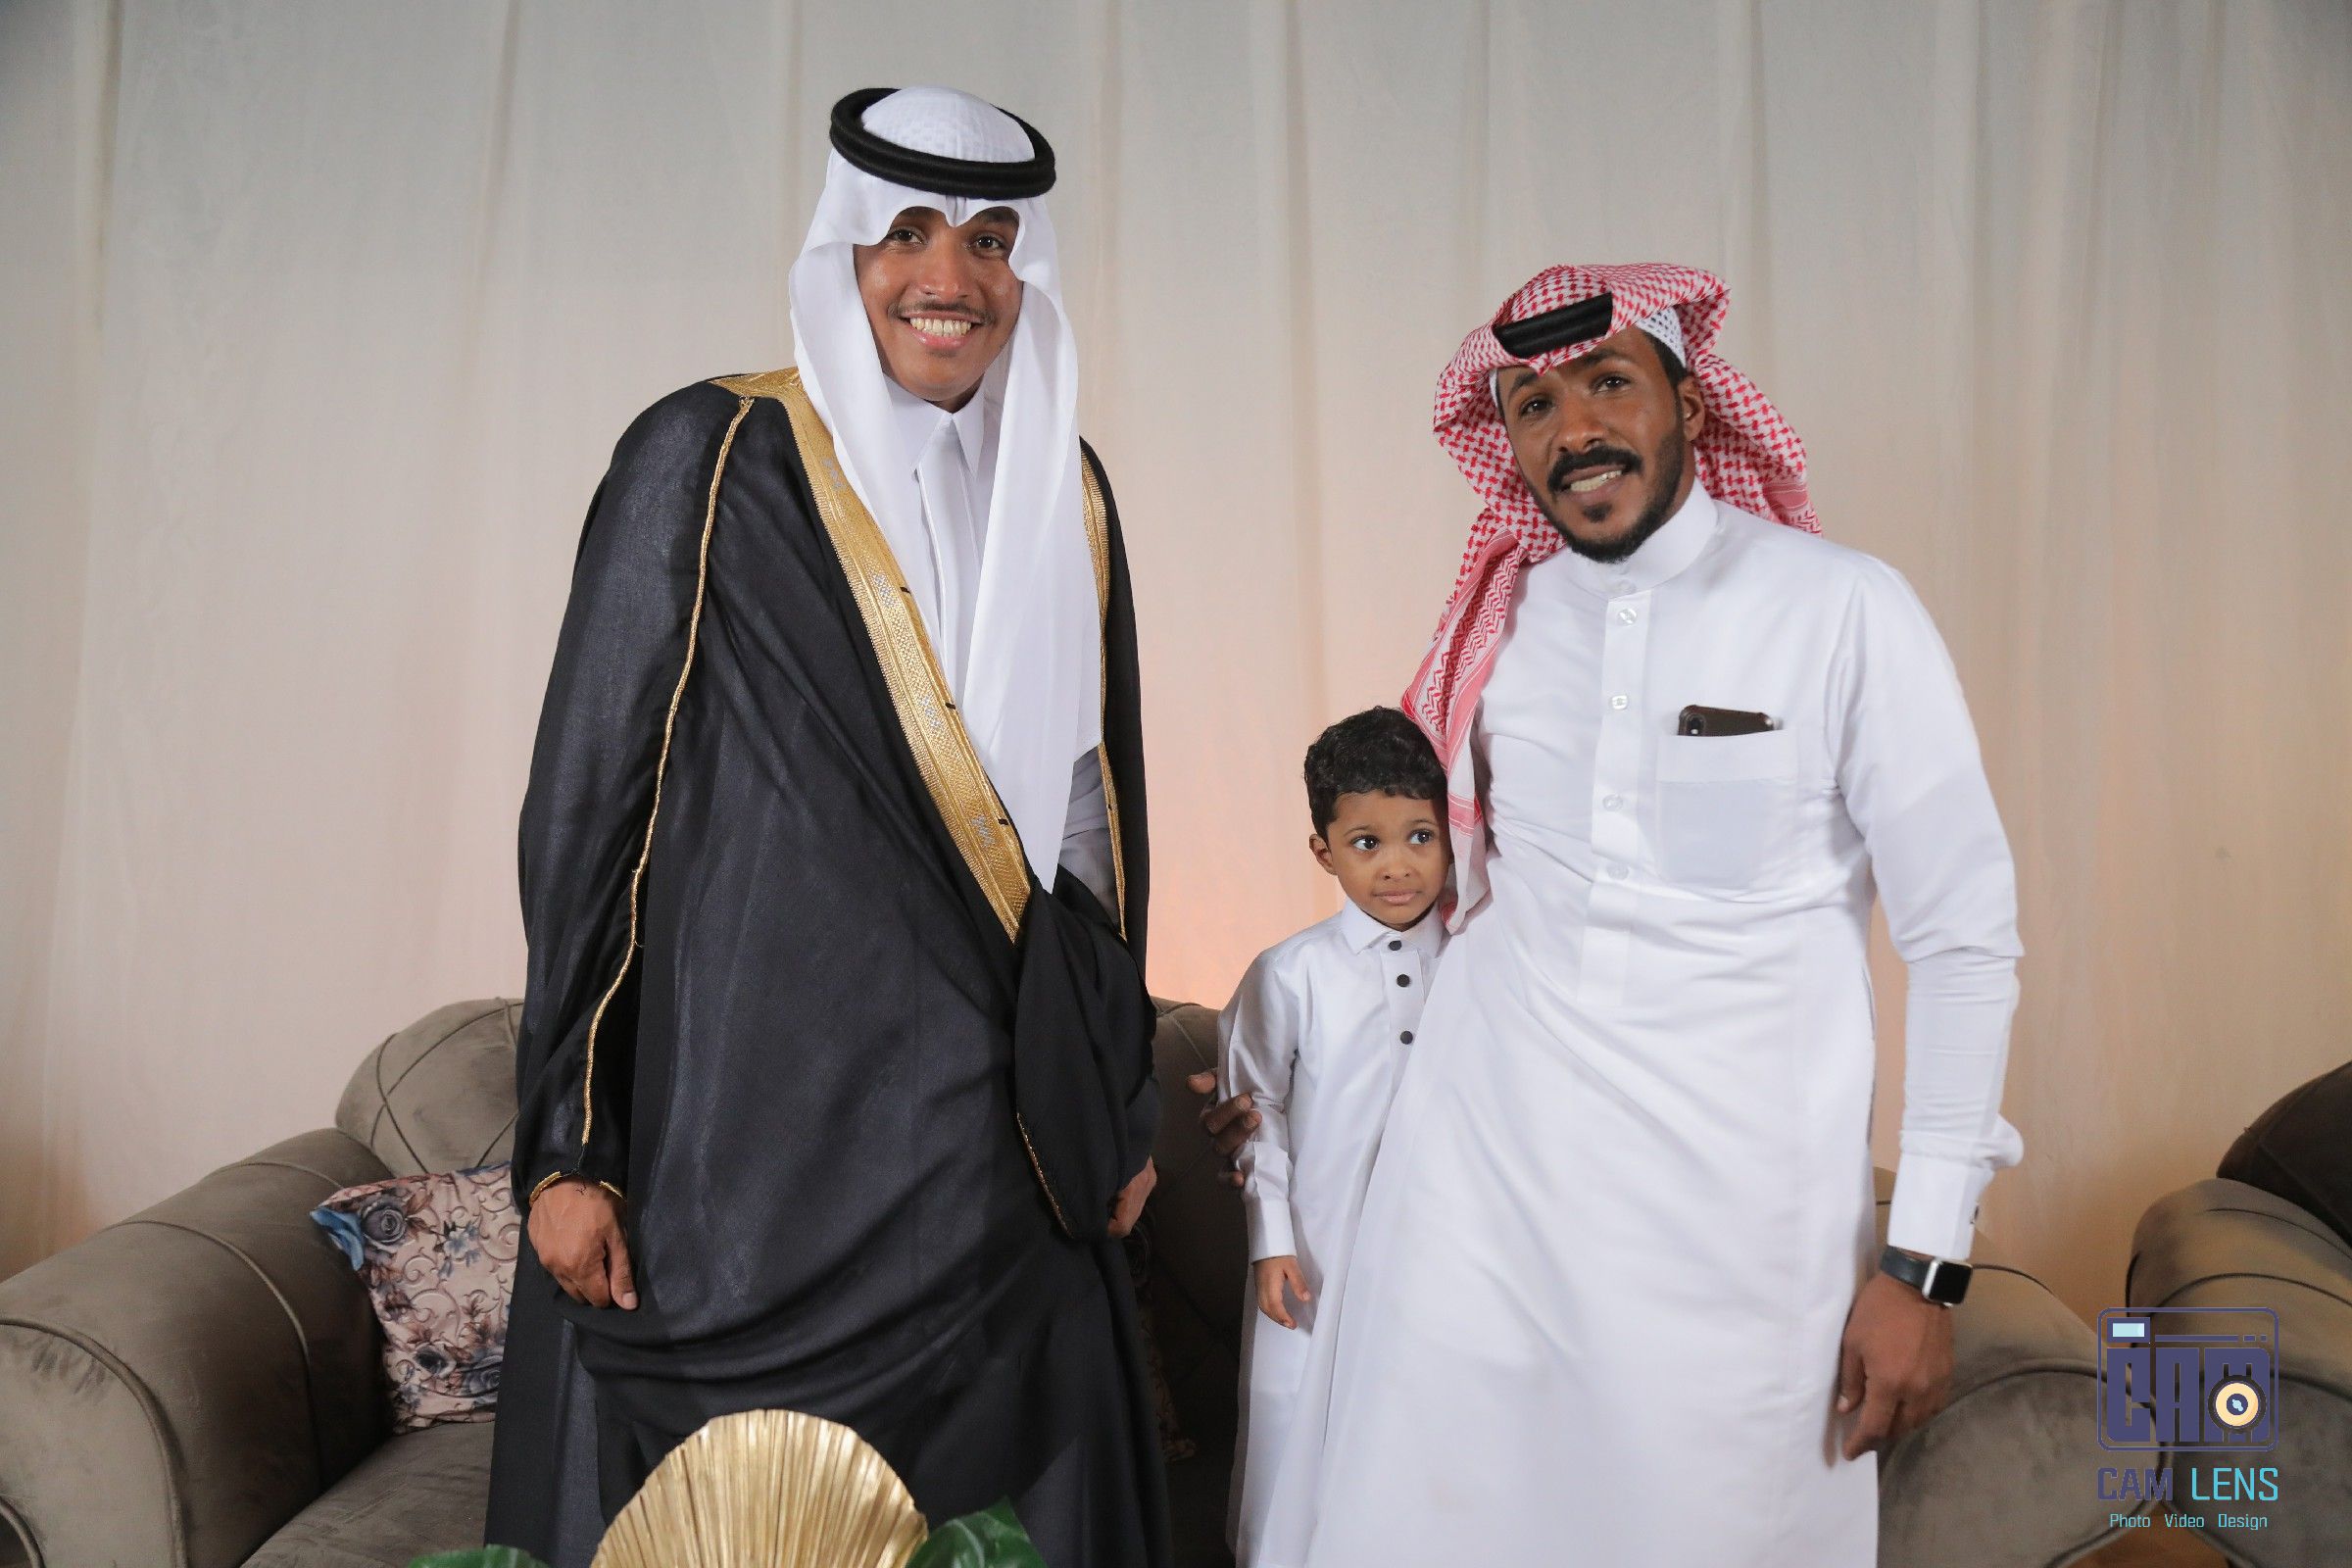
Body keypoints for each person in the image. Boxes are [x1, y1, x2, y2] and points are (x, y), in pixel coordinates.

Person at [1242, 264, 2025, 1567]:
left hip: (1737, 1240)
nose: (1575, 430)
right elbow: (1432, 902)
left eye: (1609, 383)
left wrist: (1925, 1262)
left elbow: (1964, 941)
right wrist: (1276, 1078)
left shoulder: (1841, 608)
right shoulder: (1500, 623)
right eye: (1534, 406)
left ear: (1693, 407)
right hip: (1472, 1209)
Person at [484, 87, 1168, 1568]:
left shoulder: (1070, 487)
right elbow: (592, 811)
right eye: (907, 232)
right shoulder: (709, 454)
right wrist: (569, 1145)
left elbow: (1088, 820)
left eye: (991, 242)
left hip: (997, 1149)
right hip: (746, 1139)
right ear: (843, 250)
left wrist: (1112, 1088)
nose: (951, 276)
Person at [1217, 708, 1450, 1564]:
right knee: (1300, 1411)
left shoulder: (1482, 959)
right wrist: (1272, 1241)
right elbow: (1256, 1116)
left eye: (1420, 836)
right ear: (1324, 852)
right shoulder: (1290, 972)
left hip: (1450, 1235)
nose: (1397, 865)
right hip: (1321, 1239)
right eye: (1366, 843)